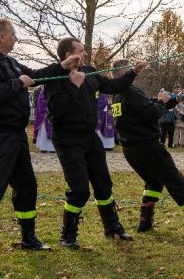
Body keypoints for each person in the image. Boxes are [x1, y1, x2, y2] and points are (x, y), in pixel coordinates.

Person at [0, 18, 80, 268]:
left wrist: (62, 66)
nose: (16, 38)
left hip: (16, 135)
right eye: (13, 35)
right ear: (0, 37)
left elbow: (36, 76)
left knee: (27, 186)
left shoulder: (10, 62)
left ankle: (28, 238)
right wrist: (18, 83)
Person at [44, 37, 146, 249]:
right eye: (81, 50)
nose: (85, 54)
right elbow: (57, 110)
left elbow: (112, 85)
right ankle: (68, 235)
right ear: (68, 55)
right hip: (67, 140)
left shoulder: (90, 71)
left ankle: (112, 227)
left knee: (103, 183)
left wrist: (133, 72)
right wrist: (73, 85)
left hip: (90, 137)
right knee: (80, 189)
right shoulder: (55, 77)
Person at [110, 59, 184, 233]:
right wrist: (161, 101)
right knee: (176, 183)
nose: (136, 74)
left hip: (131, 150)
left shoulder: (117, 94)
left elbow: (147, 104)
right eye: (132, 70)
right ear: (124, 73)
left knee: (153, 183)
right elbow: (152, 111)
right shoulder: (130, 91)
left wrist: (174, 100)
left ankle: (144, 222)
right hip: (148, 148)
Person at [33, 87, 55, 153]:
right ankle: (43, 147)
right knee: (43, 132)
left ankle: (52, 148)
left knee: (52, 130)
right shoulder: (40, 91)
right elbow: (37, 102)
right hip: (42, 116)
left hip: (51, 115)